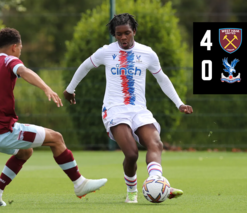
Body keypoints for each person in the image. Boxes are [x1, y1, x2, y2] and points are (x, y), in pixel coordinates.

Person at [0, 28, 107, 207]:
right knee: (57, 138)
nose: (20, 50)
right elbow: (24, 71)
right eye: (20, 47)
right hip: (2, 131)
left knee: (25, 151)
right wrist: (46, 88)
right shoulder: (9, 60)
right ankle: (79, 184)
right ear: (14, 47)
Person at [63, 13, 193, 203]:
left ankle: (156, 183)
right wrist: (69, 90)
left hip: (139, 110)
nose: (123, 37)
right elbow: (84, 66)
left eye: (127, 33)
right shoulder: (105, 52)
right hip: (114, 110)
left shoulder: (147, 53)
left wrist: (179, 103)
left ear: (134, 32)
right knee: (131, 153)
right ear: (114, 35)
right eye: (119, 34)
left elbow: (162, 79)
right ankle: (132, 191)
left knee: (155, 143)